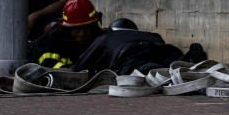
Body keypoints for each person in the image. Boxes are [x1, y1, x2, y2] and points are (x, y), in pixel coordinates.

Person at [71, 16, 208, 75]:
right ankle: (192, 58)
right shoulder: (148, 34)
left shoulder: (106, 37)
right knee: (172, 61)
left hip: (130, 56)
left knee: (148, 69)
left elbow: (80, 65)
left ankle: (163, 69)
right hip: (164, 49)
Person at [26, 0, 105, 69]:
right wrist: (73, 72)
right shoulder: (53, 40)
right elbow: (48, 65)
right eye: (76, 29)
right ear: (67, 29)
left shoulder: (99, 36)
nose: (82, 33)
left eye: (86, 27)